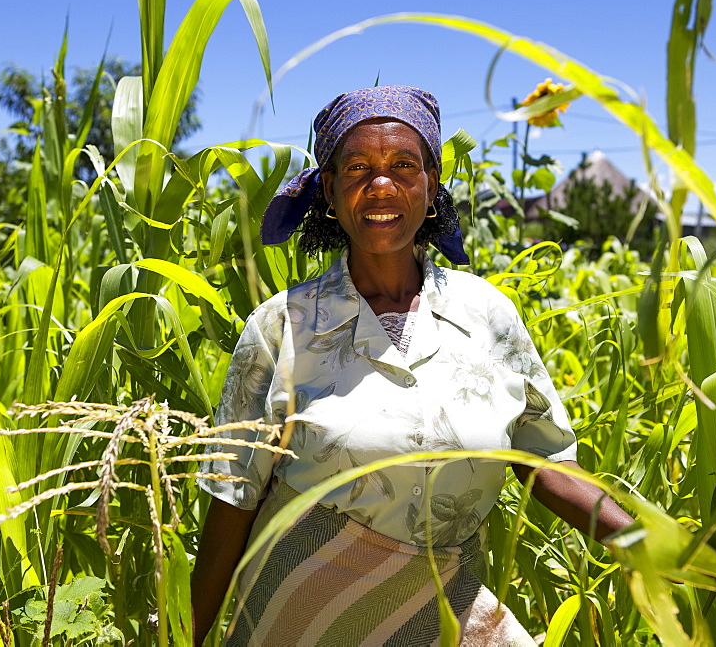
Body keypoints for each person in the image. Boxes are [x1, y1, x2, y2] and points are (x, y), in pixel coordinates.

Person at [190, 85, 633, 646]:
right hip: (302, 619)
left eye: (403, 165)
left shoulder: (486, 314)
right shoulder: (284, 327)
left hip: (446, 612)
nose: (381, 185)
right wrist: (188, 636)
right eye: (357, 168)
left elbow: (540, 458)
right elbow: (233, 501)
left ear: (432, 185)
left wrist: (639, 539)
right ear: (328, 190)